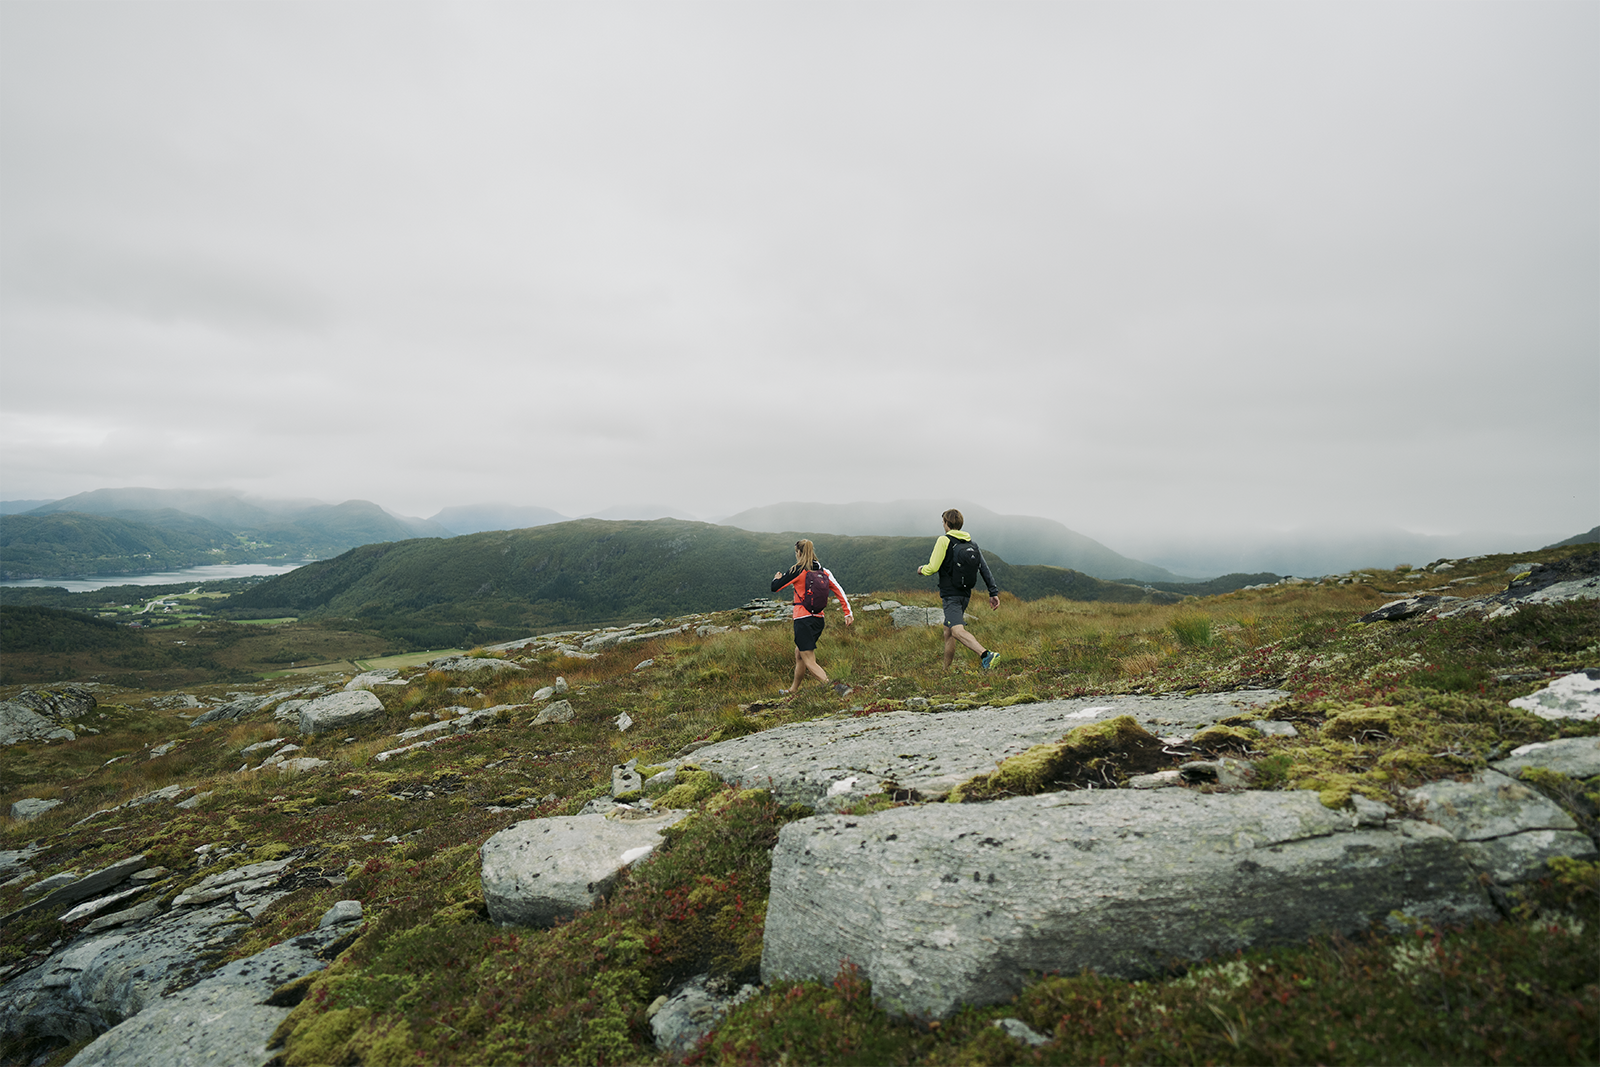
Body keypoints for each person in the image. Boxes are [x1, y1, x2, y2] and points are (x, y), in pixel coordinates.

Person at [916, 508, 1000, 669]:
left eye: (943, 522)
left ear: (947, 523)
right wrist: (993, 592)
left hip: (951, 595)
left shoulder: (944, 540)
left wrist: (921, 569)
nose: (943, 525)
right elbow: (984, 568)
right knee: (948, 632)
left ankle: (986, 655)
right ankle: (945, 671)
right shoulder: (971, 543)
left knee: (956, 631)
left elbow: (933, 567)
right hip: (965, 594)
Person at [771, 539, 854, 696]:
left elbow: (775, 588)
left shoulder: (798, 570)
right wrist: (847, 612)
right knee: (799, 654)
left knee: (809, 659)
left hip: (803, 620)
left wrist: (777, 578)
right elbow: (839, 590)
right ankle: (793, 690)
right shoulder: (824, 571)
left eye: (796, 553)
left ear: (799, 553)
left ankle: (837, 688)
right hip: (818, 620)